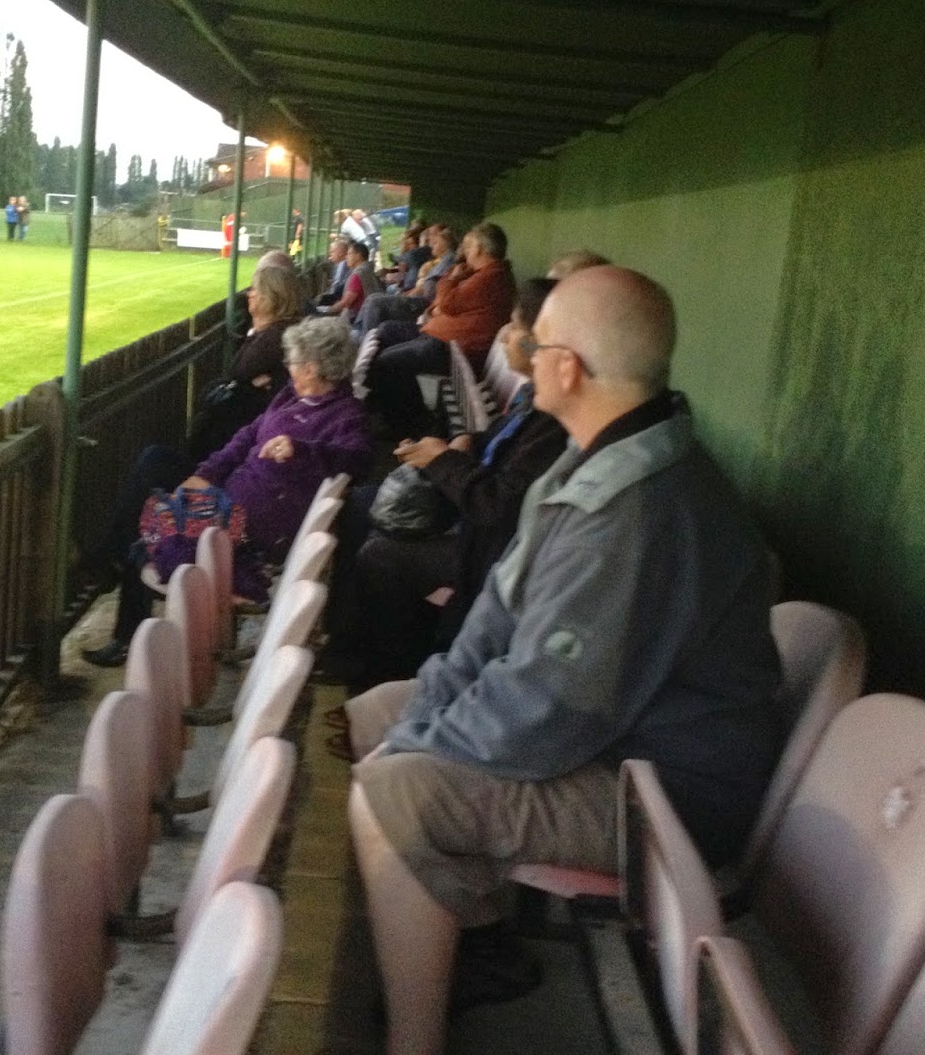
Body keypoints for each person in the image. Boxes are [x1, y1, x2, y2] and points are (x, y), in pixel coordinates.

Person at [345, 265, 781, 1055]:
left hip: (664, 796)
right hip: (607, 745)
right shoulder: (592, 458)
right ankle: (472, 940)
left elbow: (546, 709)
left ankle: (414, 1038)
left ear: (568, 368)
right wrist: (414, 722)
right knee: (373, 714)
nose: (523, 356)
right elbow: (491, 626)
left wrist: (414, 750)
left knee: (393, 791)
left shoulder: (640, 510)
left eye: (536, 345)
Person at [321, 277, 569, 691]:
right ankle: (345, 643)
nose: (504, 334)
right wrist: (462, 443)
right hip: (477, 519)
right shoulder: (535, 399)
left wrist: (443, 461)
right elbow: (498, 450)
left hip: (494, 549)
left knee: (382, 557)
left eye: (514, 324)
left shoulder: (554, 418)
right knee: (362, 501)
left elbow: (496, 505)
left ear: (539, 344)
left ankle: (389, 679)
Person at [85, 316, 370, 667]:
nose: (287, 368)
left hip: (254, 526)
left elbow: (358, 459)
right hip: (230, 494)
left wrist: (303, 449)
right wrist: (206, 474)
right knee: (154, 462)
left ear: (312, 368)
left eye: (293, 362)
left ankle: (121, 615)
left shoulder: (345, 415)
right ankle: (113, 574)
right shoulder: (289, 396)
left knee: (146, 529)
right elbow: (246, 438)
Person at [80, 263, 313, 590]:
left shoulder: (272, 340)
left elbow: (231, 380)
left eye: (255, 290)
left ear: (271, 299)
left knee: (152, 472)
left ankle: (108, 561)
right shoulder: (274, 341)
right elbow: (223, 387)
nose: (248, 295)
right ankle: (111, 564)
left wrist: (245, 370)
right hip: (232, 472)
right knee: (151, 484)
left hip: (232, 487)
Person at [364, 222, 515, 437]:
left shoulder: (491, 276)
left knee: (389, 361)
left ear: (480, 249)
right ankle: (387, 403)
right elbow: (445, 302)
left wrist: (452, 278)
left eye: (468, 246)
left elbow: (447, 302)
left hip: (453, 349)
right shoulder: (481, 274)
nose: (464, 252)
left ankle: (407, 425)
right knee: (387, 331)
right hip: (440, 339)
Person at [324, 237, 382, 320]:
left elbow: (346, 302)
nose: (346, 257)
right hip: (370, 314)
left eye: (349, 254)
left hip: (358, 318)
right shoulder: (368, 269)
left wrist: (326, 310)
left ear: (358, 256)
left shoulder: (357, 275)